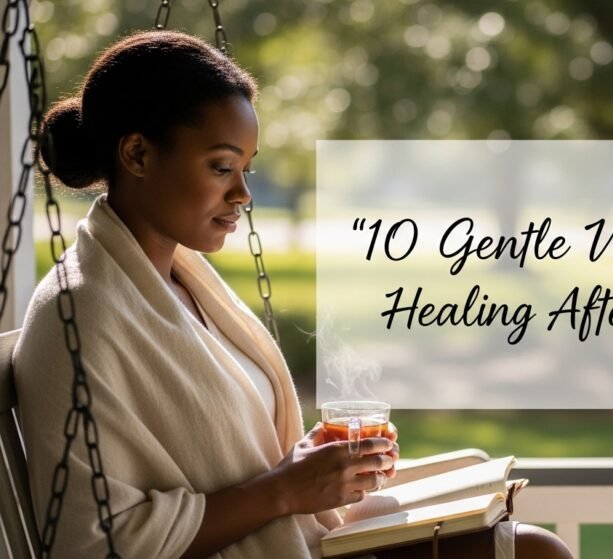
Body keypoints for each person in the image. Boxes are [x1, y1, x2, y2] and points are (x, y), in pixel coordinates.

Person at [14, 30, 572, 559]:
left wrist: (312, 465)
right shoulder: (85, 314)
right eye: (222, 166)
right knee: (537, 552)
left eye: (246, 169)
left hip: (288, 535)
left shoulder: (175, 282)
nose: (244, 194)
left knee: (526, 543)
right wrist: (285, 489)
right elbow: (92, 544)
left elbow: (222, 455)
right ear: (137, 155)